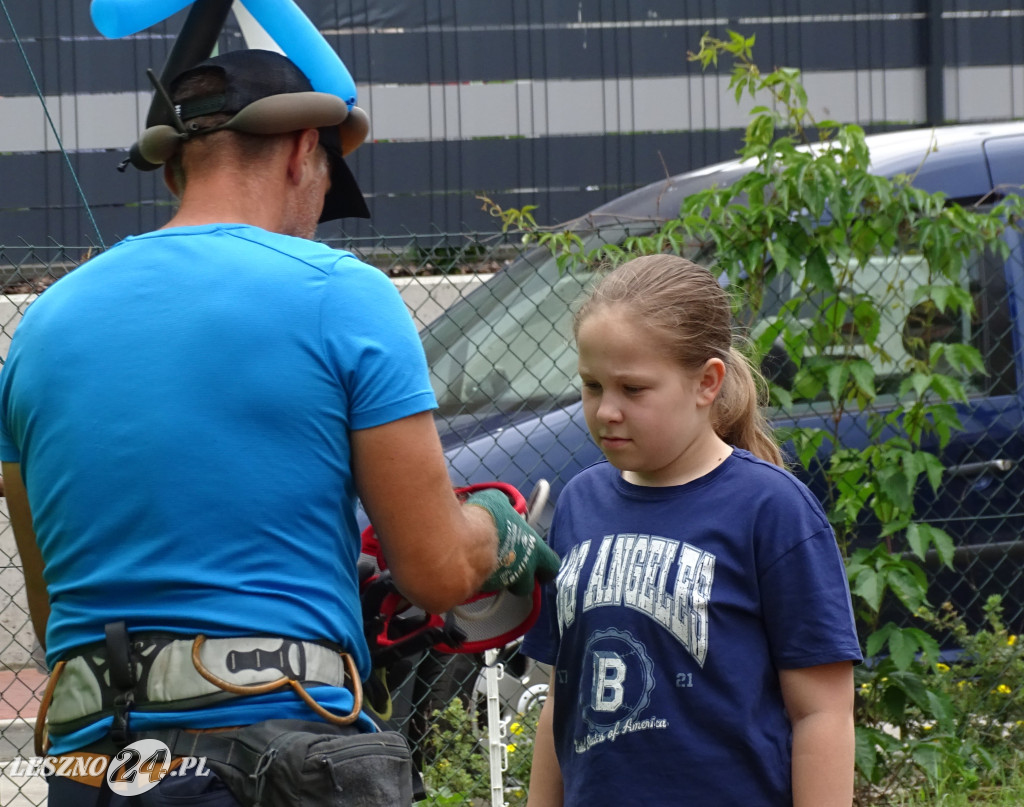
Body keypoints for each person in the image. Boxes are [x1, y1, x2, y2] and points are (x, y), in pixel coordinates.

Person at [0, 49, 558, 807]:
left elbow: (55, 607)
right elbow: (433, 568)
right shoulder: (342, 293)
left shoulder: (40, 330)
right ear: (304, 152)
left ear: (176, 171)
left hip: (95, 771)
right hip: (272, 765)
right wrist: (497, 531)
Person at [522, 255, 863, 807]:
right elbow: (563, 697)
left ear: (707, 382)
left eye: (633, 389)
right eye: (591, 385)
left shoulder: (771, 509)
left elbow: (822, 711)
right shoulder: (580, 503)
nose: (606, 409)